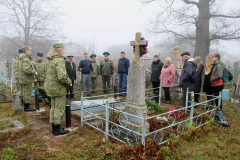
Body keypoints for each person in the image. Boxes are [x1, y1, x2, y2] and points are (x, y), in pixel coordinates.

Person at [46, 43, 71, 136]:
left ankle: (54, 127)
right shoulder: (59, 60)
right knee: (58, 108)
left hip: (51, 87)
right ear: (59, 50)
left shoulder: (50, 59)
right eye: (62, 49)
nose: (63, 51)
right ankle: (56, 129)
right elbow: (61, 76)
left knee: (53, 107)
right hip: (58, 88)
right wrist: (69, 82)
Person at [18, 46, 36, 112]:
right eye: (29, 50)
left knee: (23, 92)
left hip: (23, 78)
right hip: (26, 79)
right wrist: (33, 72)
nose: (30, 52)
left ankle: (24, 103)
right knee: (27, 92)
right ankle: (27, 107)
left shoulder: (21, 58)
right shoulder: (26, 59)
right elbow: (26, 69)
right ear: (26, 51)